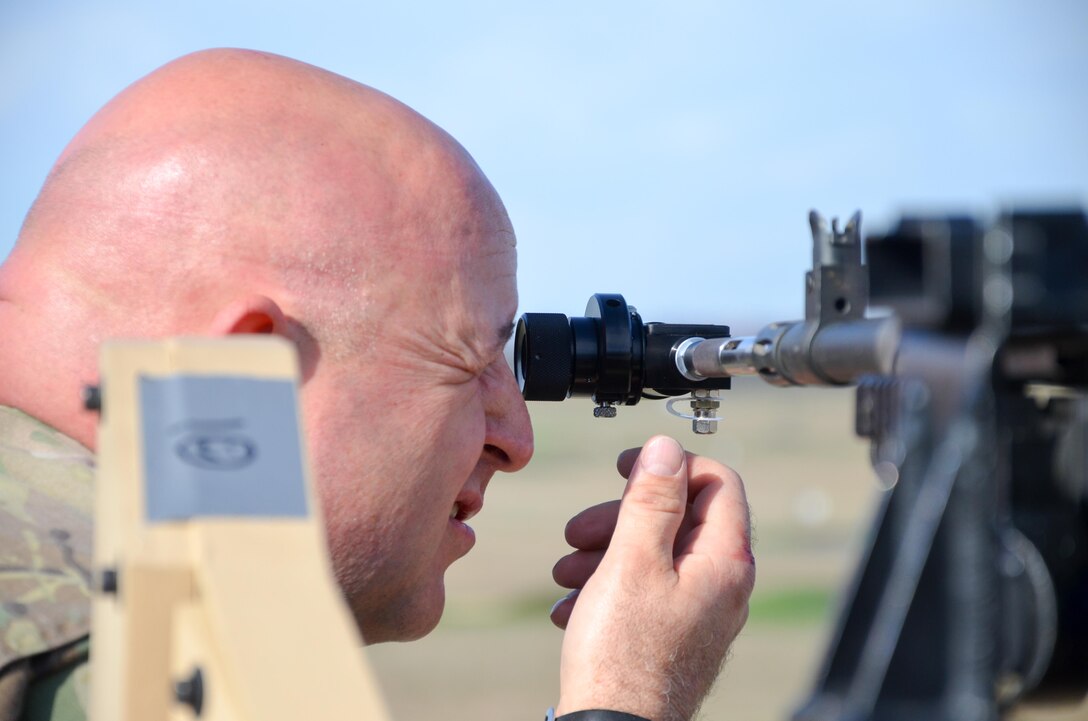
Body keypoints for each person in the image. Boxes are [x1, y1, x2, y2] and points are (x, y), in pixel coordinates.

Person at [0, 49, 755, 721]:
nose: (515, 439)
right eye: (466, 362)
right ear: (242, 368)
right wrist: (627, 701)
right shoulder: (125, 633)